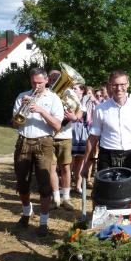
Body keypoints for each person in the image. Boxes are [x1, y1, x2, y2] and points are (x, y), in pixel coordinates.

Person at [12, 68, 64, 236]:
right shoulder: (22, 96)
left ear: (47, 80)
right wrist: (23, 107)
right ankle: (26, 213)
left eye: (40, 82)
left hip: (44, 142)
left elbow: (57, 126)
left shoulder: (54, 98)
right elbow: (15, 123)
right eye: (34, 82)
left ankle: (43, 222)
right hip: (23, 141)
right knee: (22, 181)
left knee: (44, 183)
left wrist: (41, 110)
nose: (36, 86)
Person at [80, 70, 131, 180]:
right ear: (110, 85)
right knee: (107, 191)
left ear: (128, 84)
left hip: (130, 156)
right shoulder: (100, 109)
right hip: (107, 156)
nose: (119, 88)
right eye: (115, 85)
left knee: (129, 190)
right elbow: (93, 138)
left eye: (122, 84)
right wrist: (86, 163)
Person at [47, 69, 85, 211]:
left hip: (65, 136)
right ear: (47, 79)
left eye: (57, 78)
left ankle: (66, 197)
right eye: (52, 79)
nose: (54, 81)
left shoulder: (70, 93)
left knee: (65, 167)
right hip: (49, 135)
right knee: (51, 168)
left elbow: (80, 110)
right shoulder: (46, 93)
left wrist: (75, 118)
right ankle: (56, 198)